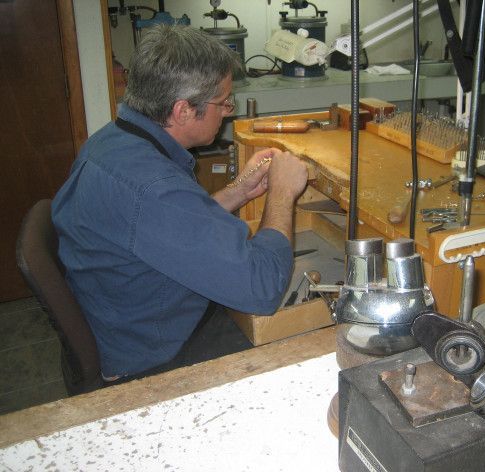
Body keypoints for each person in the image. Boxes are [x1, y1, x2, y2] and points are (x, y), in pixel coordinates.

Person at [51, 25, 308, 381]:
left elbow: (170, 223)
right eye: (223, 103)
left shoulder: (112, 143)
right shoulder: (152, 187)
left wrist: (237, 191)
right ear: (183, 110)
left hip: (124, 317)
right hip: (154, 357)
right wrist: (282, 195)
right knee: (301, 345)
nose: (228, 113)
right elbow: (262, 288)